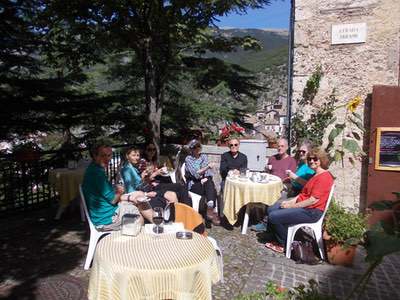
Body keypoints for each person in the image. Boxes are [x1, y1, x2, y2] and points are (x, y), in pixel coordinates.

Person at [264, 148, 334, 254]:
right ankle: (274, 236)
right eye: (309, 159)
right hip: (304, 206)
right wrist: (291, 202)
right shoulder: (315, 174)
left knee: (274, 216)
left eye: (315, 159)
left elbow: (312, 201)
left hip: (312, 211)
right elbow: (303, 193)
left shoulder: (324, 177)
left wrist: (291, 206)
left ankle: (284, 244)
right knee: (271, 208)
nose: (311, 161)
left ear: (322, 160)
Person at [82, 143, 153, 230]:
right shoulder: (97, 174)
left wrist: (129, 198)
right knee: (139, 216)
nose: (107, 159)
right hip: (106, 219)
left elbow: (110, 197)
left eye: (109, 155)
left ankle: (157, 223)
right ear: (95, 156)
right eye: (103, 155)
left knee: (139, 196)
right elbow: (113, 200)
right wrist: (119, 192)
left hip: (108, 211)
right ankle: (157, 225)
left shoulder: (95, 169)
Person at [120, 147, 190, 208]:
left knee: (180, 187)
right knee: (176, 192)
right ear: (127, 156)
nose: (137, 157)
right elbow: (131, 190)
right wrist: (146, 191)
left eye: (138, 155)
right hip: (144, 192)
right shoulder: (127, 169)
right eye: (133, 155)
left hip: (149, 187)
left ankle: (187, 211)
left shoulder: (133, 168)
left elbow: (140, 183)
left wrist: (144, 178)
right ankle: (184, 212)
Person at [184, 139, 220, 225]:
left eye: (198, 146)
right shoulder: (188, 159)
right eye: (194, 147)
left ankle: (210, 204)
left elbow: (208, 173)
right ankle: (211, 210)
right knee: (211, 188)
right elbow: (196, 174)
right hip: (193, 183)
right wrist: (206, 168)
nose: (197, 149)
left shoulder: (204, 156)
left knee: (209, 182)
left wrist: (205, 176)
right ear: (191, 149)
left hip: (205, 180)